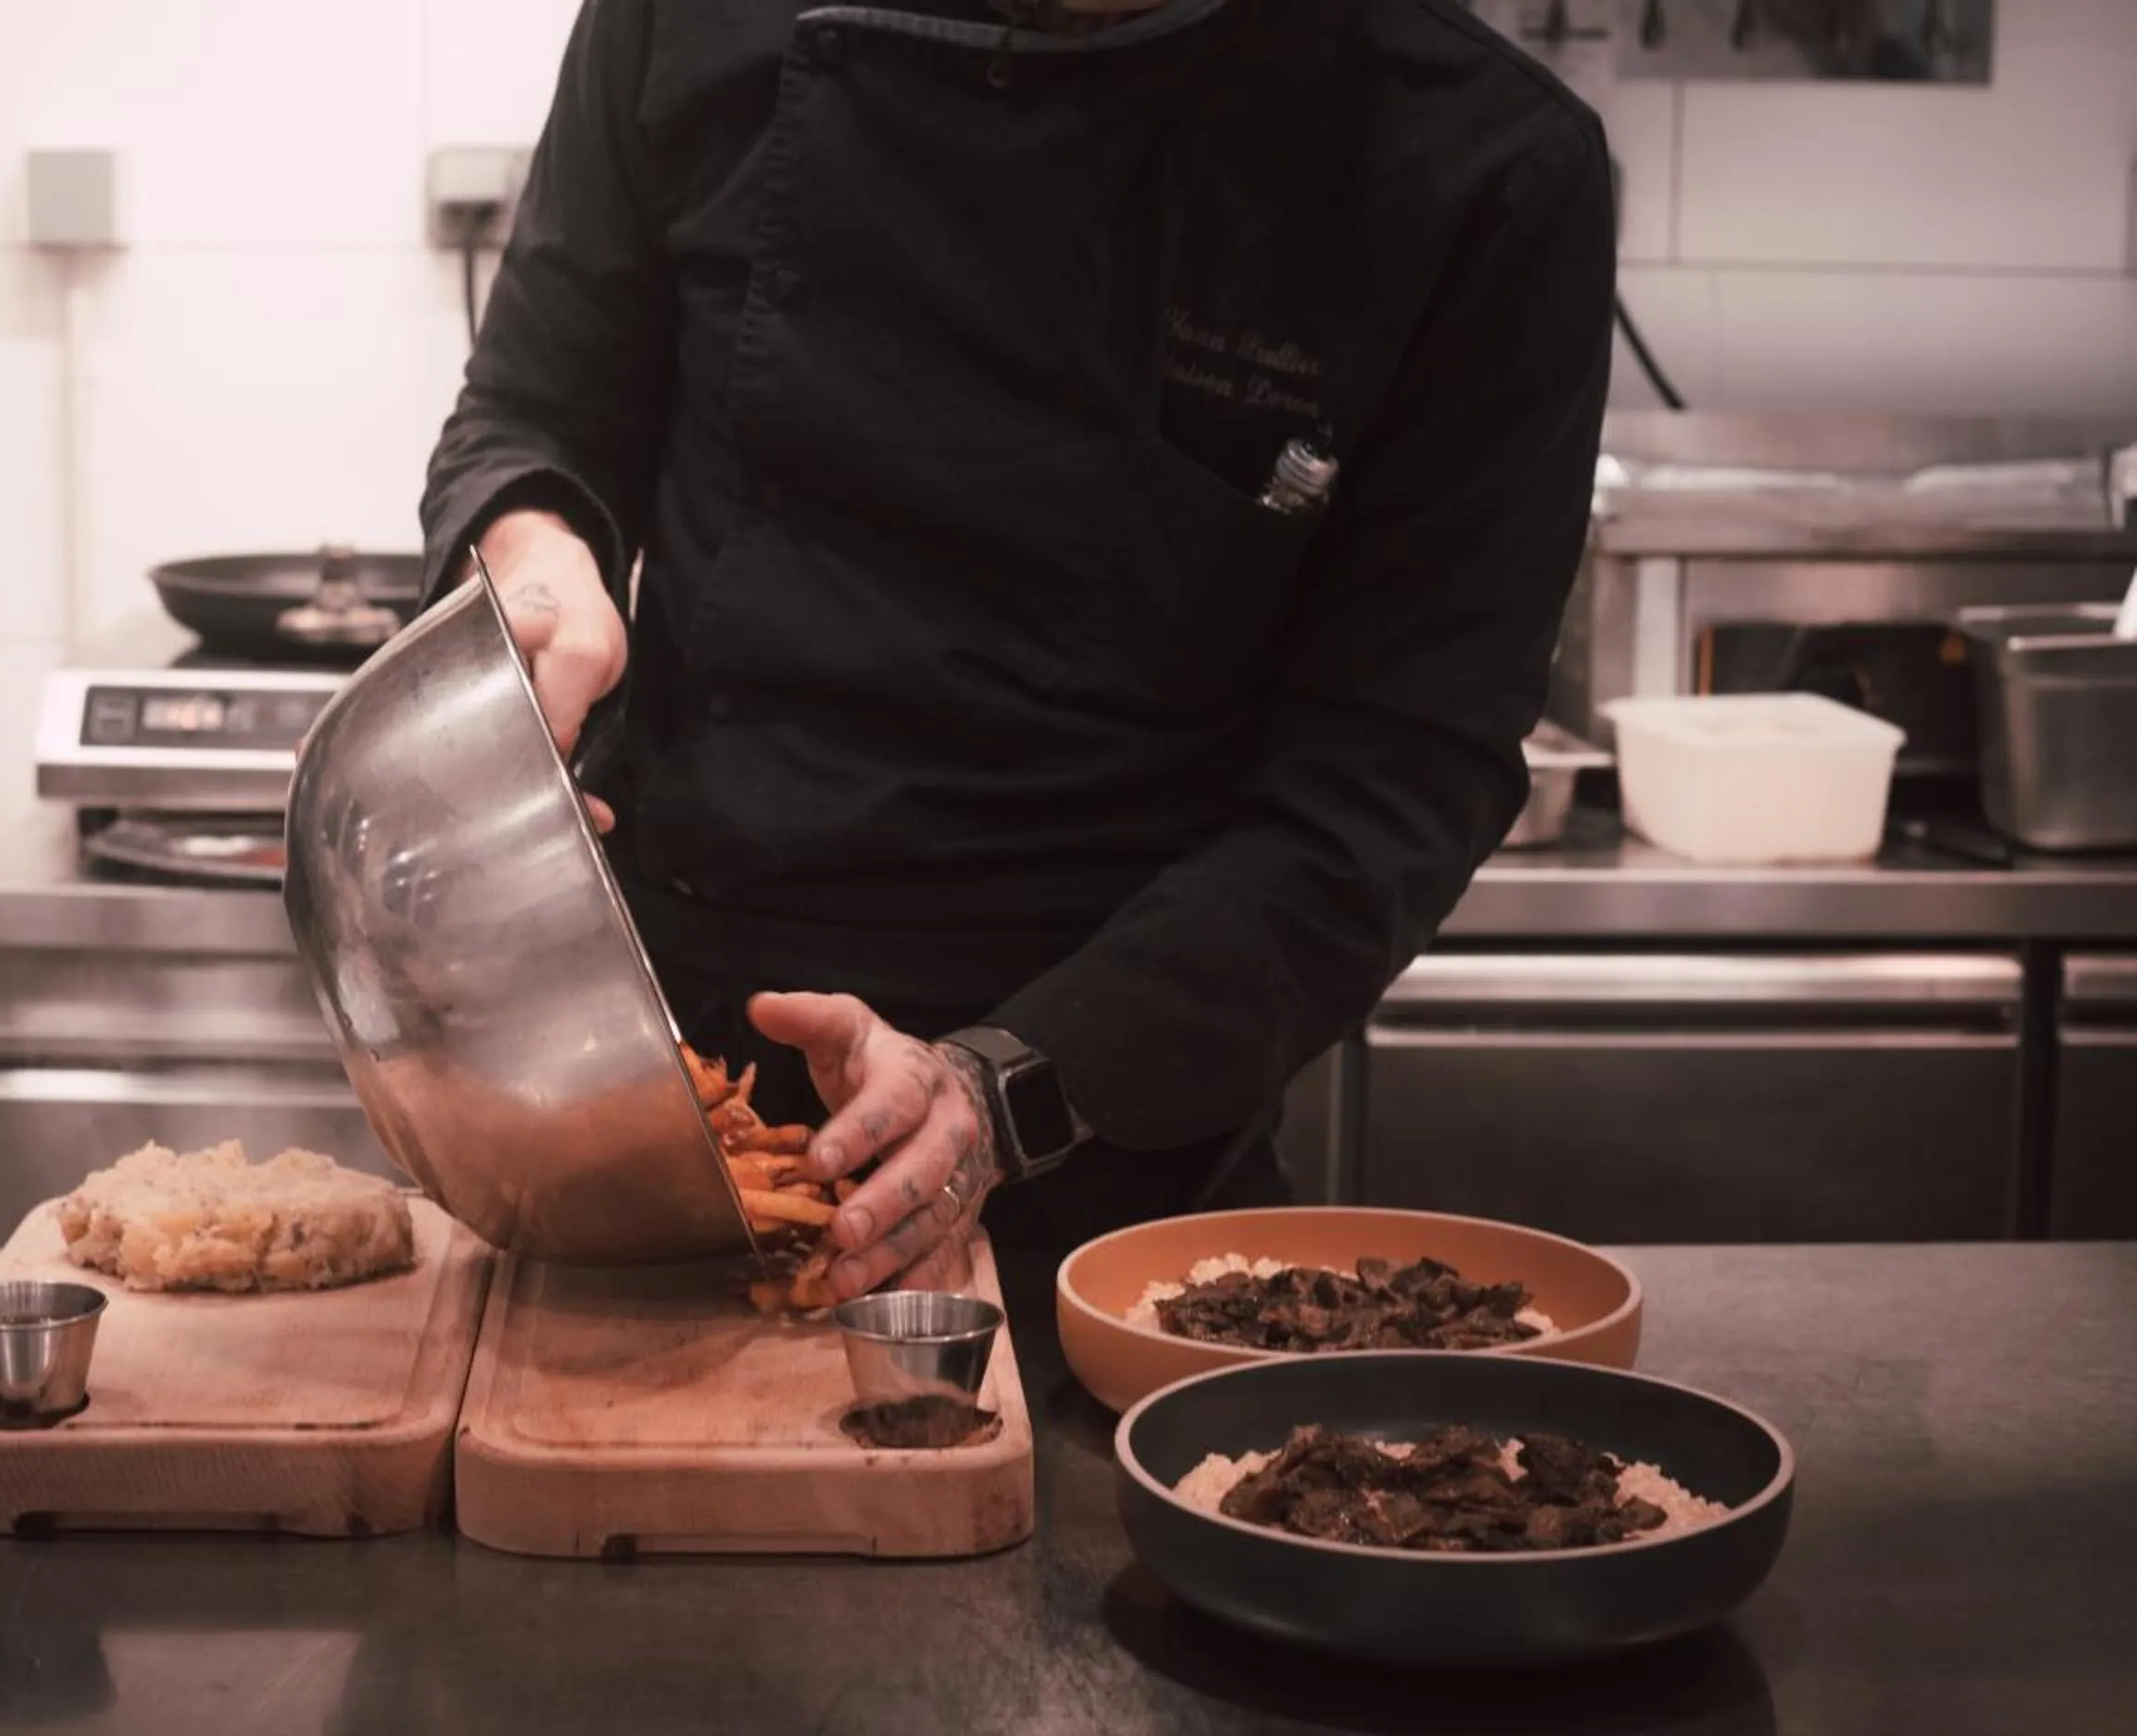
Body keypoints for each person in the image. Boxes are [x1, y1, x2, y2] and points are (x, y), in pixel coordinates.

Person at [421, 0, 1616, 1301]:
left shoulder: (1479, 163)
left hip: (1112, 1153)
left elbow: (1390, 780)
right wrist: (537, 568)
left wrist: (1004, 1096)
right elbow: (536, 404)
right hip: (670, 1097)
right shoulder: (691, 20)